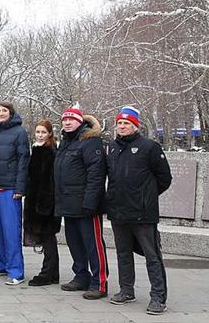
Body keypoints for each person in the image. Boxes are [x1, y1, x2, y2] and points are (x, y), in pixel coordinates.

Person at [106, 106, 172, 315]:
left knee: (152, 256)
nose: (122, 127)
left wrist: (147, 196)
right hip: (119, 211)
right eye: (120, 123)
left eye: (127, 123)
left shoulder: (149, 147)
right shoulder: (112, 148)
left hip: (143, 213)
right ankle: (126, 290)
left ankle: (158, 298)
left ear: (135, 126)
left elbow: (164, 178)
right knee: (123, 253)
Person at [54, 107, 109, 300]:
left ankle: (99, 282)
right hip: (68, 203)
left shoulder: (90, 141)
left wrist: (91, 202)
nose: (67, 123)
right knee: (74, 242)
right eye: (64, 120)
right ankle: (81, 275)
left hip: (86, 205)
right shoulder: (66, 142)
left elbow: (96, 174)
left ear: (80, 121)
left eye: (71, 120)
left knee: (93, 244)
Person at [0, 101, 30, 285]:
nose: (1, 113)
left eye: (4, 111)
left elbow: (23, 161)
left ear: (11, 113)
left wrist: (20, 188)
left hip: (10, 190)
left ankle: (16, 270)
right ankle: (0, 265)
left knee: (11, 231)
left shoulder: (19, 133)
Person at [23, 120, 62, 287]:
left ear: (50, 134)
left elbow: (48, 181)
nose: (39, 135)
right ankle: (53, 273)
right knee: (48, 238)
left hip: (44, 202)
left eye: (43, 132)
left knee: (48, 238)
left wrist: (44, 205)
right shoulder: (38, 150)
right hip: (37, 200)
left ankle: (47, 272)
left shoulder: (48, 152)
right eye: (37, 132)